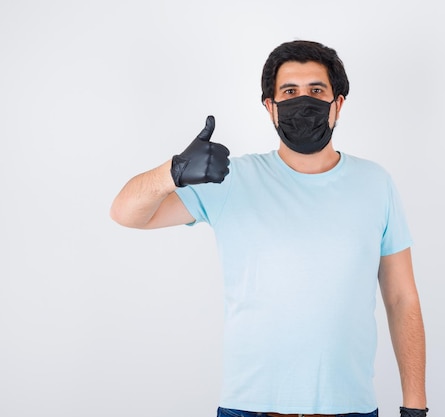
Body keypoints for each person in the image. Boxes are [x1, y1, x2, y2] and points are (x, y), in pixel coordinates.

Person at [110, 40, 427, 417]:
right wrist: (173, 171)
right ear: (270, 107)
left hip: (348, 408)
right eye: (290, 92)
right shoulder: (230, 180)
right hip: (250, 408)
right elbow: (126, 213)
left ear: (338, 103)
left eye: (316, 90)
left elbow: (401, 298)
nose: (303, 101)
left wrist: (415, 406)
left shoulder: (375, 183)